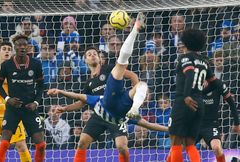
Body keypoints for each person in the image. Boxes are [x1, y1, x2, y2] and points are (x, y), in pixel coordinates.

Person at [47, 13, 168, 162]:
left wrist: (135, 91)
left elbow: (132, 75)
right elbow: (82, 102)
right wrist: (65, 109)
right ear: (85, 60)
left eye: (94, 53)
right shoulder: (88, 83)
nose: (92, 55)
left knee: (122, 147)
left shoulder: (109, 68)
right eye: (89, 54)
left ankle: (134, 109)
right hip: (100, 113)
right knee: (82, 142)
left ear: (99, 57)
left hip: (119, 105)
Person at [168, 28, 226, 162]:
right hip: (199, 104)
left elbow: (190, 73)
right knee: (189, 144)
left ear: (185, 42)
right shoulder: (205, 61)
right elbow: (214, 82)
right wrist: (224, 91)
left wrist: (187, 95)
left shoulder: (184, 58)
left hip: (184, 102)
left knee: (176, 144)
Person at [0, 35, 45, 162]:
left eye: (24, 45)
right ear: (14, 47)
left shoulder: (36, 64)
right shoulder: (6, 65)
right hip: (13, 108)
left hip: (30, 109)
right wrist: (7, 99)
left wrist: (36, 102)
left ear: (28, 47)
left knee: (41, 145)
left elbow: (41, 87)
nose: (22, 47)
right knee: (5, 142)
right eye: (19, 45)